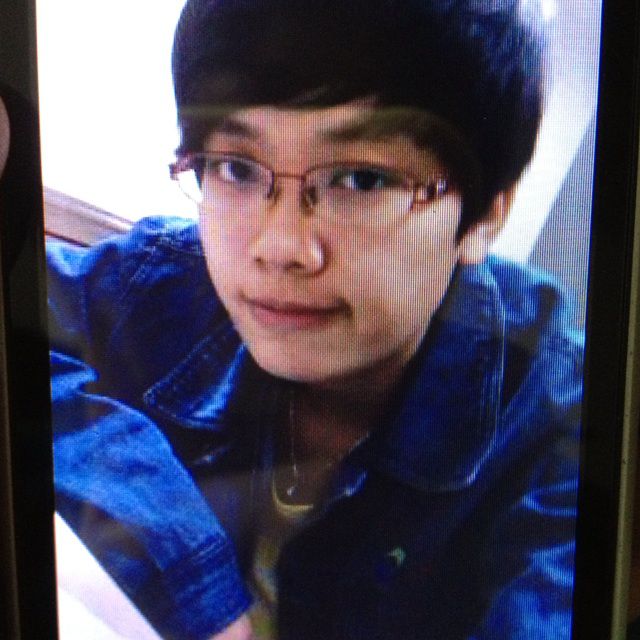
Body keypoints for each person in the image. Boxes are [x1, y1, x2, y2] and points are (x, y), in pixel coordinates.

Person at [48, 1, 583, 638]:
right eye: (237, 168)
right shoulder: (167, 279)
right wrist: (180, 565)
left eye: (360, 179)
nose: (279, 247)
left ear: (487, 214)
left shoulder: (562, 422)